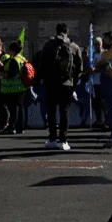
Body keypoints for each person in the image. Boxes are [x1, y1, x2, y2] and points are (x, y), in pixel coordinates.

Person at [36, 22, 84, 150]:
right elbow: (79, 67)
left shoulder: (49, 45)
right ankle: (63, 140)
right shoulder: (73, 46)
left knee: (51, 112)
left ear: (56, 31)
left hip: (51, 83)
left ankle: (52, 139)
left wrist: (42, 79)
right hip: (67, 84)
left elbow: (41, 64)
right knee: (64, 111)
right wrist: (73, 81)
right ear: (67, 32)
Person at [0, 41, 29, 135]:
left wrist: (2, 72)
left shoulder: (14, 60)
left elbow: (10, 74)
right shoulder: (22, 58)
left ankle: (12, 127)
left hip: (14, 88)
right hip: (22, 87)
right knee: (20, 107)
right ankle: (20, 127)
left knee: (14, 108)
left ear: (12, 50)